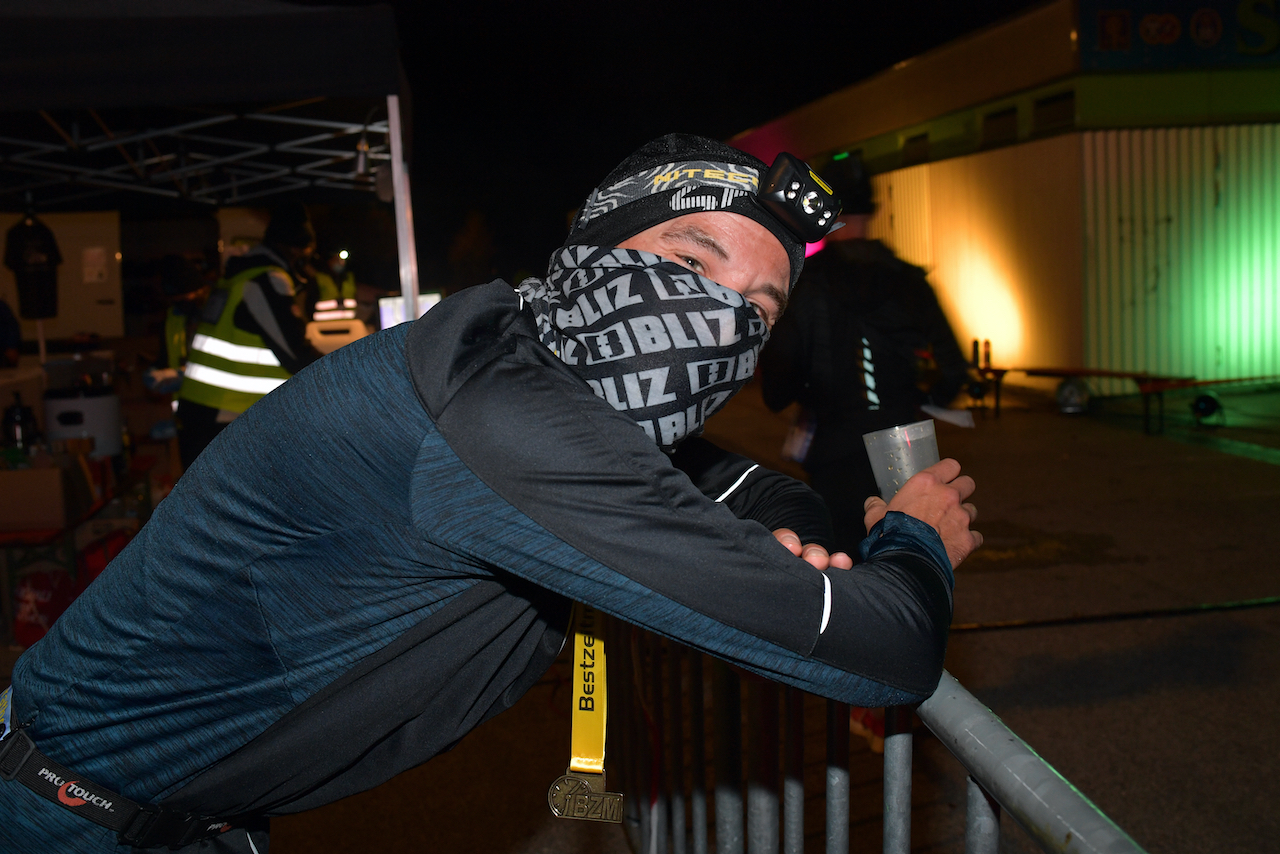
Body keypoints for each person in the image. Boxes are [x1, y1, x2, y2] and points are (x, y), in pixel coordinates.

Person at [0, 135, 981, 853]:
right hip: (63, 816)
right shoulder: (499, 417)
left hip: (174, 817)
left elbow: (760, 485)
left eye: (757, 309)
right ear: (598, 252)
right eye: (690, 261)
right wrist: (912, 539)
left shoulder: (522, 364)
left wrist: (785, 538)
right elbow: (887, 647)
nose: (721, 314)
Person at [760, 154, 971, 554]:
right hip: (905, 442)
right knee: (908, 556)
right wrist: (919, 405)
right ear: (875, 209)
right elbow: (955, 370)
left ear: (827, 210)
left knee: (844, 560)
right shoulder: (909, 280)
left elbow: (777, 385)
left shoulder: (807, 284)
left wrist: (806, 395)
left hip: (835, 444)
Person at [173, 203, 325, 470]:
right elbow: (294, 353)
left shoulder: (239, 276)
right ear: (293, 250)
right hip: (223, 415)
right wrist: (345, 376)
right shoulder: (266, 280)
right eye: (305, 255)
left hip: (205, 412)